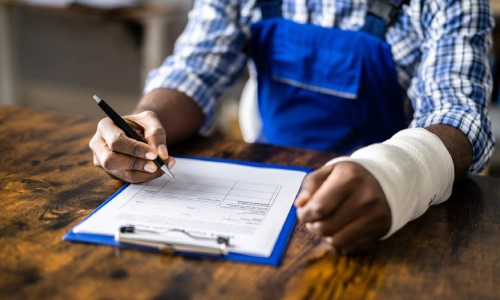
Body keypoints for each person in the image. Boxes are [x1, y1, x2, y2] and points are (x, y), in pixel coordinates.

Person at [89, 0, 495, 253]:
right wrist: (143, 124)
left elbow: (460, 116)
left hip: (381, 208)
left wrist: (394, 175)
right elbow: (194, 70)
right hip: (267, 195)